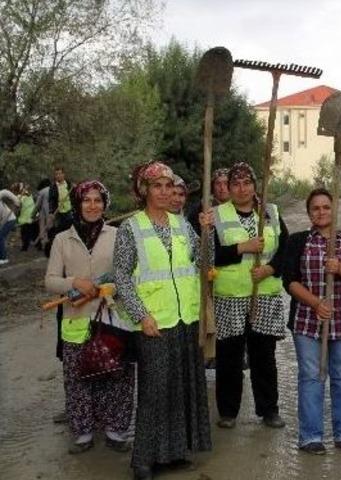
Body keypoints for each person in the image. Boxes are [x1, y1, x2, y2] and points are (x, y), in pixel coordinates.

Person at [113, 161, 212, 480]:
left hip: (185, 319)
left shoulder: (182, 224)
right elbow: (122, 277)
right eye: (157, 186)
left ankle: (174, 452)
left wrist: (207, 233)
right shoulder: (132, 227)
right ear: (144, 190)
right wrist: (142, 315)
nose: (165, 191)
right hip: (154, 322)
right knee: (155, 390)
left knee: (182, 387)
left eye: (169, 186)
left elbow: (201, 262)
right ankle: (143, 459)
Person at [44, 180, 135, 454]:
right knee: (78, 378)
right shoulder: (62, 239)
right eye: (87, 200)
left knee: (116, 374)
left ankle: (115, 430)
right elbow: (50, 280)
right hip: (76, 320)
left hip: (112, 318)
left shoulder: (118, 235)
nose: (93, 206)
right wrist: (75, 282)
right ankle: (82, 432)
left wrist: (112, 286)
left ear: (105, 204)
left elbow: (129, 273)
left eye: (98, 200)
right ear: (77, 203)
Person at [283, 188, 341, 454]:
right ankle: (310, 436)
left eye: (326, 207)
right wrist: (316, 303)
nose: (321, 212)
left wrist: (340, 268)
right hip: (308, 321)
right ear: (309, 213)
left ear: (334, 210)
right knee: (311, 377)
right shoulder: (298, 241)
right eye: (315, 208)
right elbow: (290, 281)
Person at [212, 162, 289, 430]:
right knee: (229, 358)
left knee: (264, 356)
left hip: (264, 294)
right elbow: (208, 256)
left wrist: (269, 268)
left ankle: (269, 410)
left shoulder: (270, 212)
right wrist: (242, 247)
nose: (242, 189)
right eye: (236, 184)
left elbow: (285, 250)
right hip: (230, 297)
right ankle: (228, 411)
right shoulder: (216, 215)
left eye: (247, 183)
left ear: (255, 186)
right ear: (228, 188)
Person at [188, 167, 230, 235]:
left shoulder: (239, 207)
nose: (222, 187)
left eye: (226, 183)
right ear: (213, 186)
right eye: (218, 183)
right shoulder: (200, 208)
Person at [48, 166, 74, 239]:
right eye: (56, 174)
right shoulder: (53, 187)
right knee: (59, 230)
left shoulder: (69, 184)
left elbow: (74, 196)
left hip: (69, 211)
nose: (58, 176)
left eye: (60, 174)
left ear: (63, 174)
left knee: (69, 230)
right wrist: (51, 212)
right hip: (58, 211)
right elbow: (51, 200)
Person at [11, 183, 38, 251]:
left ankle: (25, 247)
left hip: (26, 217)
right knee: (34, 231)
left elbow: (17, 206)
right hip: (33, 214)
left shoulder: (20, 196)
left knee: (25, 233)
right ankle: (38, 245)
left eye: (14, 191)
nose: (14, 192)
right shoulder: (26, 193)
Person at [0, 186, 20, 265]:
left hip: (10, 219)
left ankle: (3, 258)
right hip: (4, 222)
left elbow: (5, 191)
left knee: (0, 237)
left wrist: (16, 201)